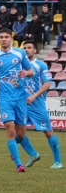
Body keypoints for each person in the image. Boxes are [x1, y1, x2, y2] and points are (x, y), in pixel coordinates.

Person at [0, 29, 38, 172]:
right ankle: (19, 164)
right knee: (10, 130)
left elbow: (31, 72)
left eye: (6, 37)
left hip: (20, 98)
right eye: (1, 37)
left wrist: (25, 73)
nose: (3, 39)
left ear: (11, 39)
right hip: (4, 98)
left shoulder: (20, 54)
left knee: (21, 134)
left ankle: (27, 153)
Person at [22, 41, 62, 169]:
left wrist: (33, 96)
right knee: (17, 133)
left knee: (48, 132)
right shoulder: (18, 66)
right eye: (24, 48)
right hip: (21, 104)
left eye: (29, 48)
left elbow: (47, 84)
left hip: (37, 104)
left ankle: (58, 162)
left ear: (35, 50)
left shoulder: (40, 65)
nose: (26, 50)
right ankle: (33, 154)